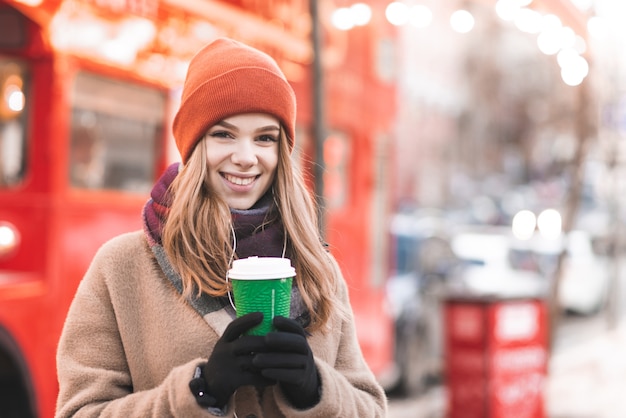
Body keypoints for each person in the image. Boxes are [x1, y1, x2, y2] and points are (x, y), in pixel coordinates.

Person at [55, 37, 387, 417]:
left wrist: (316, 391)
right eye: (223, 134)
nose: (245, 158)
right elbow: (79, 412)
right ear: (194, 145)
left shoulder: (317, 269)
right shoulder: (122, 267)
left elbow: (371, 408)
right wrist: (199, 391)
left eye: (265, 138)